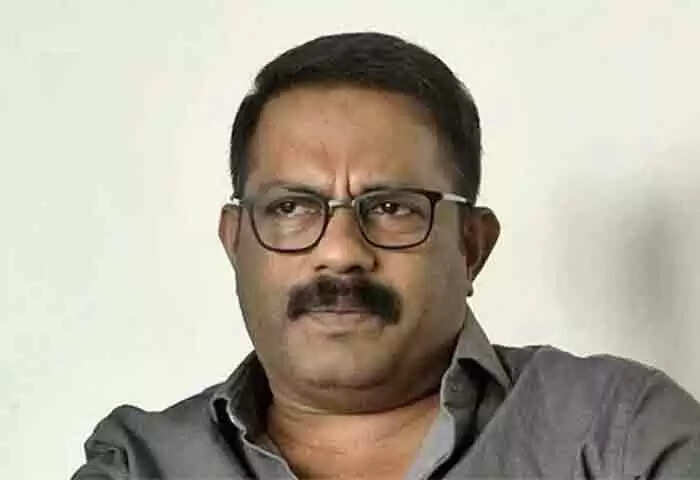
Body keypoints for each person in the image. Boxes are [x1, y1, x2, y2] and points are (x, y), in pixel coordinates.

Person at [72, 32, 700, 480]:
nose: (340, 253)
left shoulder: (621, 437)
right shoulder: (139, 464)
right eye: (291, 207)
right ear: (235, 242)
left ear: (472, 245)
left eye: (393, 206)